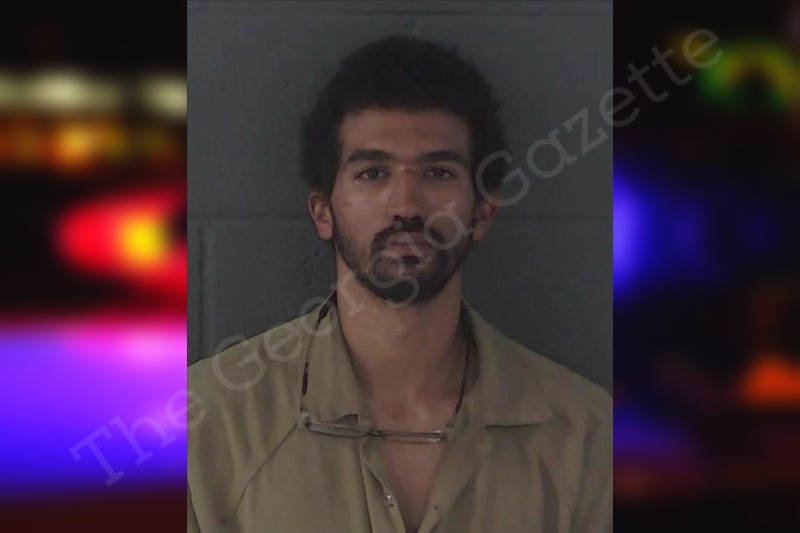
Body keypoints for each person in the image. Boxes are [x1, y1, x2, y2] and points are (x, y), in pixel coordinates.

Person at [188, 35, 612, 533]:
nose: (406, 204)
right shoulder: (209, 422)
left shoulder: (586, 434)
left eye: (438, 172)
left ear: (482, 212)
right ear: (323, 212)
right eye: (373, 172)